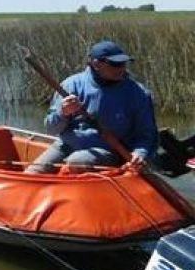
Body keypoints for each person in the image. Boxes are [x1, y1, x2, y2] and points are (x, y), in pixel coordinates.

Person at [26, 41, 157, 174]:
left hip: (109, 151)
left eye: (123, 63)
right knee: (32, 173)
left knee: (77, 161)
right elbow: (51, 128)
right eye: (115, 64)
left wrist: (139, 153)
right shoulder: (71, 85)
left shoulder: (138, 93)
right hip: (66, 145)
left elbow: (147, 133)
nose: (121, 69)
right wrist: (63, 113)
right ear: (96, 64)